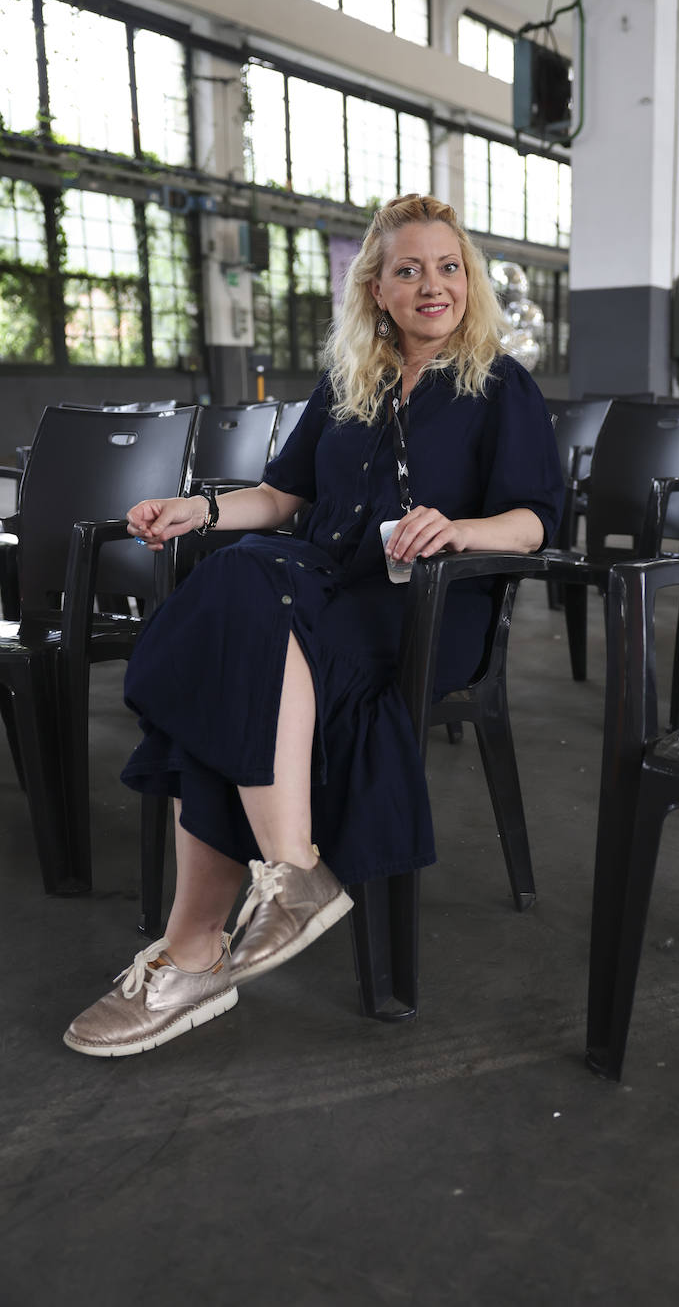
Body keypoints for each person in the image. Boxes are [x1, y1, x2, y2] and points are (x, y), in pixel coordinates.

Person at [64, 193, 565, 1058]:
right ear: (377, 288)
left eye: (448, 266)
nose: (432, 284)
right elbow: (282, 498)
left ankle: (193, 956)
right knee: (240, 604)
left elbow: (536, 521)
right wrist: (199, 507)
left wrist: (459, 528)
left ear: (469, 281)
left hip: (426, 606)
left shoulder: (501, 385)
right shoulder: (346, 385)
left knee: (234, 643)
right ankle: (285, 875)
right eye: (408, 269)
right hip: (326, 588)